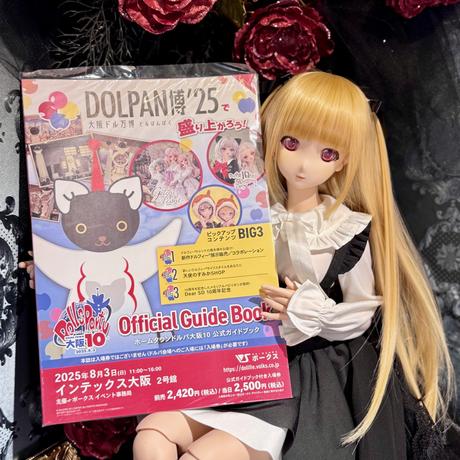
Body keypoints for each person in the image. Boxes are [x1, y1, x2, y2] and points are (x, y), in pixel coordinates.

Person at [132, 71, 455, 460]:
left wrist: (313, 311)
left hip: (305, 378)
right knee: (150, 436)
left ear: (343, 160)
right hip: (238, 362)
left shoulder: (344, 228)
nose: (303, 165)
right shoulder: (250, 215)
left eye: (327, 153)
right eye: (291, 143)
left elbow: (361, 314)